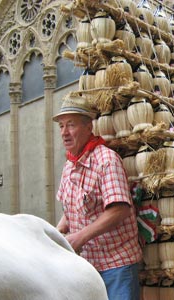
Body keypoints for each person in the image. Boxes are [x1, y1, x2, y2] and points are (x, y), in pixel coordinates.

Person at [53, 95, 141, 300]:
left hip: (116, 265)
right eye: (61, 126)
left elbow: (120, 209)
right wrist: (56, 233)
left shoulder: (106, 160)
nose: (64, 133)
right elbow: (71, 209)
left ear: (88, 127)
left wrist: (79, 237)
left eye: (71, 125)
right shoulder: (69, 166)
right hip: (86, 267)